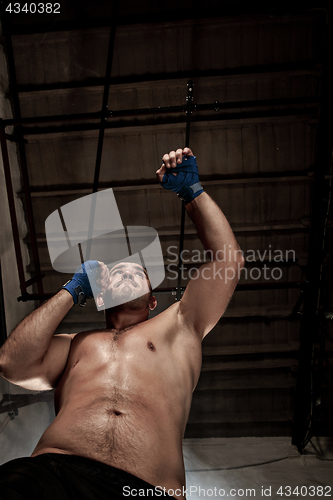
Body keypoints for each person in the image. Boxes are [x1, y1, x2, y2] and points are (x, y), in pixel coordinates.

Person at [0, 148, 244, 499]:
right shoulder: (74, 344)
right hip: (51, 475)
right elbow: (11, 363)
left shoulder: (179, 325)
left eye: (137, 272)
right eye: (115, 272)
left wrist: (193, 194)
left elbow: (228, 261)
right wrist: (71, 290)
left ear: (153, 300)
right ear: (100, 296)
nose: (125, 270)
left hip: (146, 489)